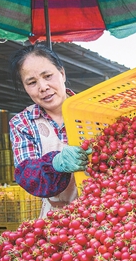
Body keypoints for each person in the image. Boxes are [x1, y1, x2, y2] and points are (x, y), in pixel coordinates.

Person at [9, 44, 92, 218]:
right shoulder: (22, 123)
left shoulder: (93, 109)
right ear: (25, 87)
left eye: (48, 76)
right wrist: (55, 164)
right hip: (57, 219)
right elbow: (27, 176)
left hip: (104, 212)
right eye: (32, 82)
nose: (43, 87)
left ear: (62, 73)